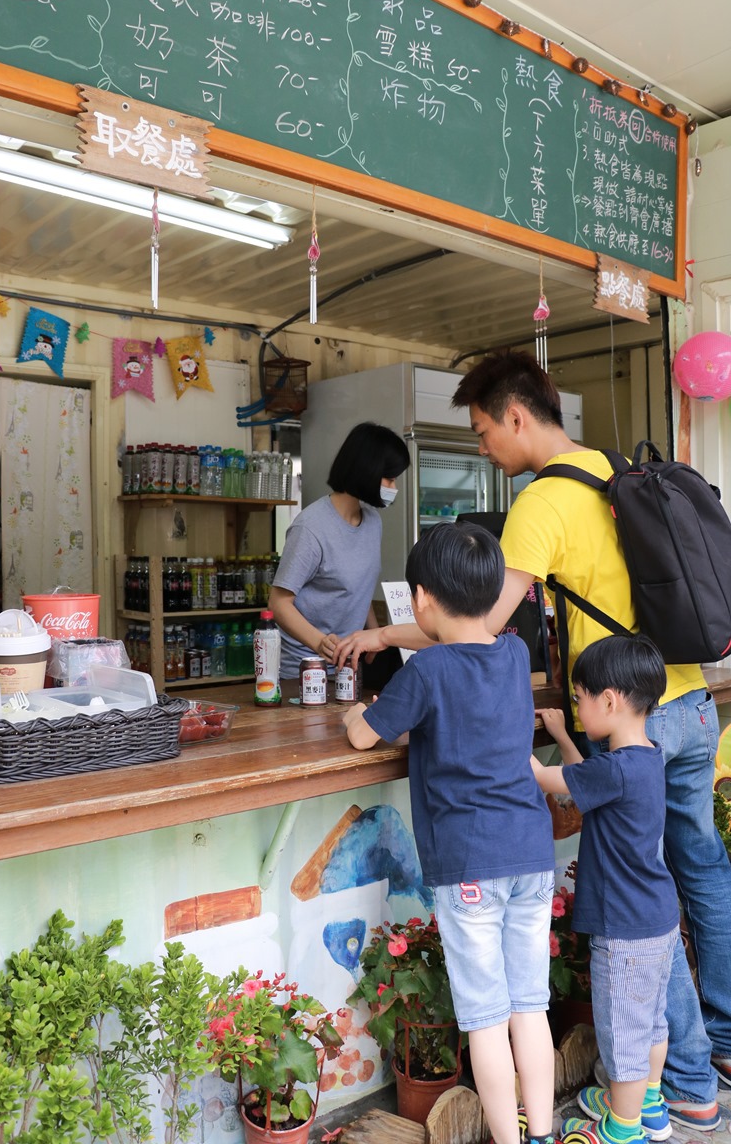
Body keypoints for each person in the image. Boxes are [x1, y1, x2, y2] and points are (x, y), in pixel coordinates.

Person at [334, 349, 731, 1129]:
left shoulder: (544, 501)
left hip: (625, 726)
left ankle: (681, 1078)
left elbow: (473, 619)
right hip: (688, 703)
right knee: (695, 881)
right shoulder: (612, 468)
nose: (484, 447)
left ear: (517, 417)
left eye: (484, 432)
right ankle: (715, 1046)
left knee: (649, 905)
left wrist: (384, 633)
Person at [344, 523, 557, 1144]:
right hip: (530, 853)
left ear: (421, 599)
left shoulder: (428, 671)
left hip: (469, 864)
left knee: (487, 1020)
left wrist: (362, 709)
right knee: (530, 1009)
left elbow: (364, 735)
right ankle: (540, 1133)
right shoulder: (514, 655)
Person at [532, 635, 679, 1144]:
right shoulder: (644, 758)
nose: (575, 708)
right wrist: (564, 733)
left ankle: (624, 1127)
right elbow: (588, 780)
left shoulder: (614, 769)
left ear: (610, 701)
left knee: (623, 1032)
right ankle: (651, 1104)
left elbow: (555, 780)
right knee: (652, 1023)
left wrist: (514, 747)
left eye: (579, 699)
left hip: (625, 931)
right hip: (657, 920)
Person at [269, 421, 410, 679]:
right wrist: (320, 643)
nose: (394, 487)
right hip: (303, 672)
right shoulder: (310, 528)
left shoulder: (372, 521)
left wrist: (374, 633)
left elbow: (359, 586)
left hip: (348, 668)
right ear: (368, 471)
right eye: (390, 478)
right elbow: (279, 603)